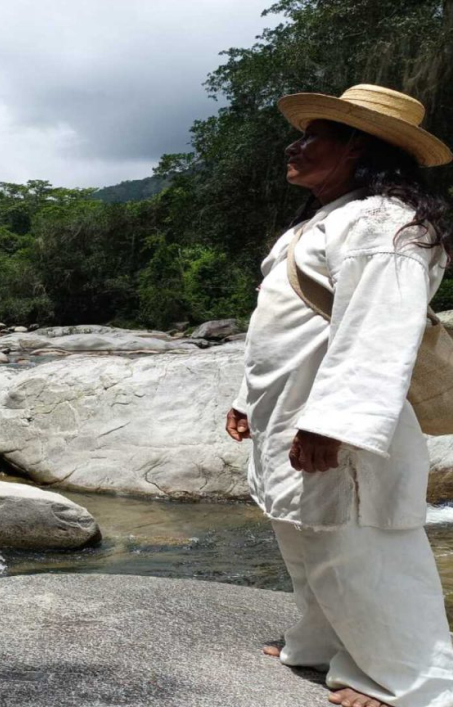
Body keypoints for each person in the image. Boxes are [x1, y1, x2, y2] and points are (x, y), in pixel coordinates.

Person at [226, 84, 453, 707]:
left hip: (335, 418)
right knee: (306, 534)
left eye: (312, 137)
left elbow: (378, 326)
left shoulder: (386, 222)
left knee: (365, 547)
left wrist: (336, 423)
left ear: (357, 146)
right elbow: (284, 327)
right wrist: (247, 398)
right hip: (291, 409)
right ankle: (323, 645)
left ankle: (418, 681)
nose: (294, 146)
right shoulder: (327, 221)